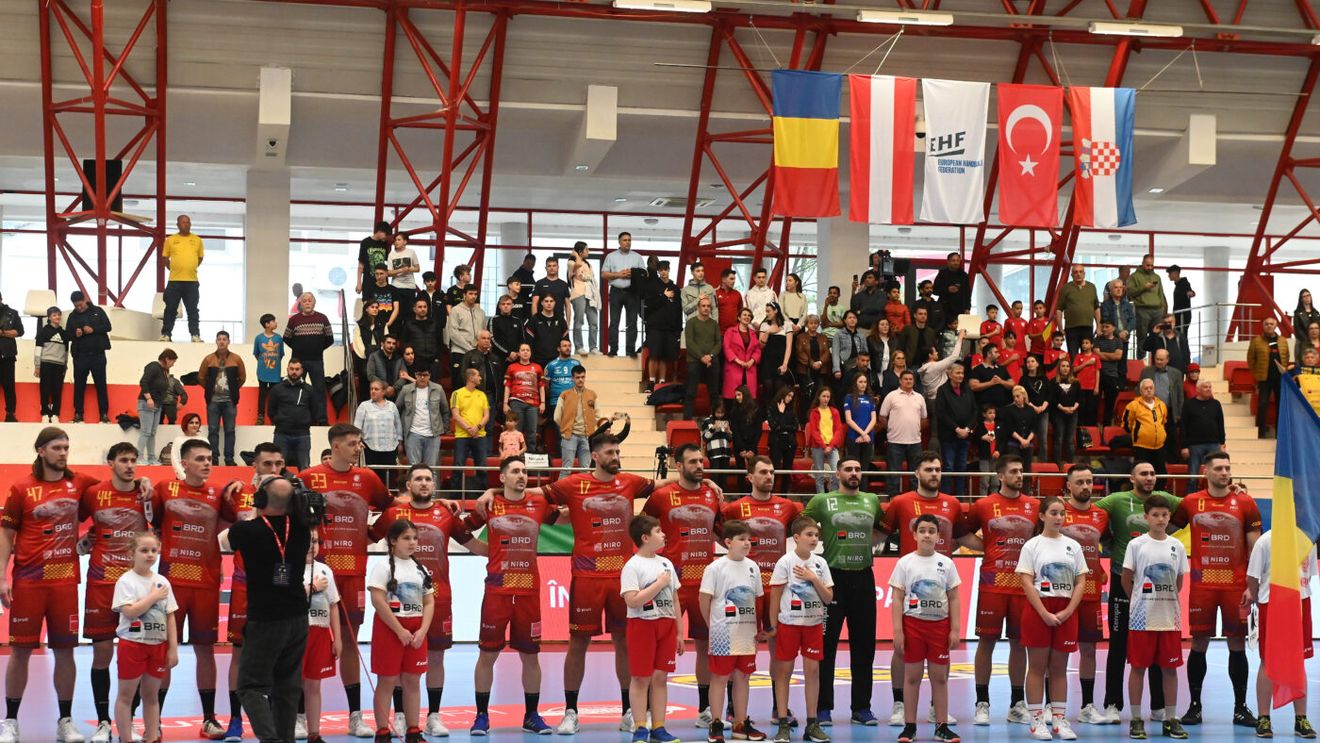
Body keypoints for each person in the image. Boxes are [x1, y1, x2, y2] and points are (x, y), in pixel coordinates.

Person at [483, 435, 658, 734]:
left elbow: (665, 483)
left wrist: (706, 481)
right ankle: (571, 712)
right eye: (610, 452)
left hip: (624, 579)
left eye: (618, 452)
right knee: (578, 644)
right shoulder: (573, 484)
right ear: (595, 457)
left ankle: (629, 711)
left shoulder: (630, 481)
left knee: (624, 643)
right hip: (586, 579)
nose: (616, 456)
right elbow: (526, 490)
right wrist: (493, 489)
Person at [0, 428, 102, 743]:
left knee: (65, 652)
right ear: (41, 451)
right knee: (20, 652)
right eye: (57, 447)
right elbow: (6, 534)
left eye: (66, 447)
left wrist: (142, 483)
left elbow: (113, 494)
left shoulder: (80, 483)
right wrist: (1, 576)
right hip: (29, 581)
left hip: (65, 582)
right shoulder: (21, 488)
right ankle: (10, 721)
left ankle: (65, 721)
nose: (63, 453)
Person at [300, 426, 393, 737]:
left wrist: (372, 536)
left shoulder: (368, 478)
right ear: (335, 446)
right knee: (303, 640)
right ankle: (299, 716)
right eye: (353, 443)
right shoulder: (309, 477)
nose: (358, 448)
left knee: (351, 644)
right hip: (315, 573)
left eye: (360, 443)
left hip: (353, 573)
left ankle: (355, 716)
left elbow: (392, 508)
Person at [461, 457, 556, 735]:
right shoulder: (489, 504)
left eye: (524, 471)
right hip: (497, 591)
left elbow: (564, 516)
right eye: (515, 471)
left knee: (531, 656)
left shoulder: (539, 503)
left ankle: (531, 716)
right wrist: (485, 550)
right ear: (502, 478)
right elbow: (461, 529)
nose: (521, 475)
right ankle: (481, 716)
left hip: (529, 592)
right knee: (487, 654)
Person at [152, 438, 240, 738]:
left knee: (206, 651)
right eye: (200, 459)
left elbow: (235, 520)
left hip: (205, 585)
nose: (206, 464)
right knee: (164, 651)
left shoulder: (218, 494)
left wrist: (238, 487)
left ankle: (208, 719)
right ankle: (154, 719)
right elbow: (152, 522)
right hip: (171, 586)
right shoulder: (165, 489)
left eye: (209, 459)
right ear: (185, 463)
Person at [1168, 450, 1261, 727]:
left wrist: (1252, 585)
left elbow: (1256, 548)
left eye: (1227, 468)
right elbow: (1162, 530)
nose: (1224, 473)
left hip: (1236, 588)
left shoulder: (1245, 502)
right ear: (1205, 471)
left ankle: (1240, 708)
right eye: (1219, 468)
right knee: (1199, 644)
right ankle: (1194, 707)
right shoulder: (1190, 502)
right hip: (1202, 587)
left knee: (1237, 645)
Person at [368, 465, 462, 737]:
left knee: (424, 667)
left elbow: (470, 540)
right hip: (395, 623)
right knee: (391, 675)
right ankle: (391, 722)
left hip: (429, 613)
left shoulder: (446, 514)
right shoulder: (392, 520)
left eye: (428, 479)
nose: (424, 483)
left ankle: (426, 720)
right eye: (418, 478)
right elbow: (367, 539)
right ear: (408, 485)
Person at [642, 444, 722, 723]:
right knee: (659, 646)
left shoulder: (712, 494)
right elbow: (642, 531)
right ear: (678, 465)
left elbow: (721, 531)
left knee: (705, 646)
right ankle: (648, 710)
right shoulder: (661, 497)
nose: (699, 466)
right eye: (692, 462)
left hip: (705, 584)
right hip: (670, 584)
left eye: (701, 461)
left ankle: (705, 710)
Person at [719, 458, 803, 723]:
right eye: (763, 472)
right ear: (750, 477)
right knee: (740, 650)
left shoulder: (788, 507)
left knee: (779, 653)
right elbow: (721, 535)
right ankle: (733, 709)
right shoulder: (735, 508)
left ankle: (779, 709)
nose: (769, 476)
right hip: (745, 590)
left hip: (777, 590)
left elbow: (805, 531)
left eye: (772, 472)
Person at [1094, 463, 1179, 722]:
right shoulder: (1117, 500)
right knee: (1118, 645)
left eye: (1153, 474)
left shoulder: (1164, 499)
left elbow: (1194, 506)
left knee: (1157, 645)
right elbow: (1088, 511)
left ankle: (1158, 706)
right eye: (1144, 474)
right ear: (1132, 478)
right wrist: (1107, 541)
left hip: (1156, 587)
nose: (1149, 478)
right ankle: (1112, 704)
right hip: (1123, 580)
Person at [803, 459, 883, 726]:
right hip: (832, 578)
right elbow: (800, 525)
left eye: (857, 469)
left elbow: (883, 529)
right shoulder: (822, 501)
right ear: (837, 474)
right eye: (848, 469)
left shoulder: (872, 500)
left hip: (864, 577)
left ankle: (861, 708)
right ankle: (823, 708)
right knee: (826, 646)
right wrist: (819, 537)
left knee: (864, 647)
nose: (854, 473)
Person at [964, 454, 1038, 726]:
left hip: (1023, 587)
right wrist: (986, 547)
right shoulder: (983, 505)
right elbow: (961, 533)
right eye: (1014, 471)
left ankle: (1017, 704)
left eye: (1021, 471)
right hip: (992, 585)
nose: (1019, 475)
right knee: (986, 642)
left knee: (1019, 644)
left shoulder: (1034, 506)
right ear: (1000, 476)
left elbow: (1043, 540)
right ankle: (982, 702)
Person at [1016, 497, 1088, 741]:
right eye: (1054, 513)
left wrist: (1068, 611)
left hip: (1065, 609)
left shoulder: (1073, 546)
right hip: (1039, 609)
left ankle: (1058, 720)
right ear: (1042, 516)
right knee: (1037, 667)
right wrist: (1043, 613)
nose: (1059, 517)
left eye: (1062, 513)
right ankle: (1036, 721)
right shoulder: (1032, 546)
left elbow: (1081, 581)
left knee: (1059, 668)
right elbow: (1026, 581)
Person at [1120, 495, 1190, 740]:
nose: (1160, 519)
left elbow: (1178, 582)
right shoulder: (1136, 545)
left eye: (1164, 515)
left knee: (1170, 670)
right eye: (1155, 515)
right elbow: (1126, 579)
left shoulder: (1177, 546)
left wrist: (1165, 599)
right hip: (1142, 620)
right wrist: (1139, 602)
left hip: (1170, 619)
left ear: (1169, 517)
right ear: (1146, 517)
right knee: (1138, 668)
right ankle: (1136, 719)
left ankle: (1171, 719)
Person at [889, 515, 961, 743]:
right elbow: (897, 598)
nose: (927, 535)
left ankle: (942, 726)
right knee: (912, 677)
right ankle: (910, 727)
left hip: (940, 627)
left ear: (939, 536)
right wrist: (898, 631)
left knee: (939, 678)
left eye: (931, 531)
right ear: (914, 535)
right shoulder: (905, 563)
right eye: (922, 531)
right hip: (913, 626)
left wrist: (955, 629)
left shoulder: (947, 563)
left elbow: (954, 597)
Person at [1244, 530, 1318, 739]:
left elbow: (1308, 575)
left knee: (1298, 660)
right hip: (1272, 604)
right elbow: (1252, 577)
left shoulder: (1308, 539)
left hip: (1300, 603)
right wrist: (1259, 598)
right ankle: (1264, 718)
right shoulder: (1265, 541)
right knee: (1268, 660)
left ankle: (1301, 719)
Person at [700, 520, 767, 743]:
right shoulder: (715, 568)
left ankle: (740, 724)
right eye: (741, 539)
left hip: (747, 635)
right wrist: (713, 626)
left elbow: (758, 599)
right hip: (722, 634)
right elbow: (704, 599)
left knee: (743, 677)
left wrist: (758, 628)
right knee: (719, 678)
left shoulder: (753, 567)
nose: (747, 543)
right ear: (728, 542)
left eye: (749, 539)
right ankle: (716, 723)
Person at [368, 520, 434, 743]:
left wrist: (423, 631)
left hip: (416, 630)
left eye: (415, 538)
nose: (412, 542)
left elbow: (429, 601)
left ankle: (413, 730)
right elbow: (378, 600)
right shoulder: (383, 567)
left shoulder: (420, 569)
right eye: (407, 538)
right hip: (390, 629)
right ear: (393, 541)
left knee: (413, 680)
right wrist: (399, 630)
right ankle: (382, 732)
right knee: (387, 680)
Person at [619, 514, 684, 743]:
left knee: (660, 678)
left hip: (666, 625)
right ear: (645, 538)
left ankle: (658, 727)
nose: (663, 535)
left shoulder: (666, 563)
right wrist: (658, 584)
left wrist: (679, 632)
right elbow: (632, 601)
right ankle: (640, 727)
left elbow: (674, 599)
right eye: (658, 531)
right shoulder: (632, 566)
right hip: (642, 625)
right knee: (640, 678)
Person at [769, 516, 834, 743]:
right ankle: (783, 723)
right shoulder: (785, 562)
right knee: (783, 673)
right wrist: (773, 625)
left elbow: (828, 598)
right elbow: (775, 595)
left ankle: (812, 724)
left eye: (816, 535)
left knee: (813, 672)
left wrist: (813, 578)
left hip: (813, 625)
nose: (814, 539)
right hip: (789, 625)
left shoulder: (821, 563)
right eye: (809, 534)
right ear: (796, 538)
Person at [112, 533, 179, 743]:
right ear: (132, 553)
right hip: (132, 645)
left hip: (157, 646)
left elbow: (170, 616)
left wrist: (173, 648)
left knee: (151, 696)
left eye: (153, 550)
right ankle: (126, 738)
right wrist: (153, 597)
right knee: (126, 695)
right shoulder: (126, 581)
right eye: (144, 550)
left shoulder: (162, 581)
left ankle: (151, 737)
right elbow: (130, 611)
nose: (150, 555)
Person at [1058, 464, 1111, 726]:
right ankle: (1052, 707)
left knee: (1089, 650)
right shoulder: (1057, 511)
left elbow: (1109, 543)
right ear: (1068, 485)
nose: (1086, 486)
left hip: (1090, 593)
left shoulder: (1102, 515)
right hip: (1060, 592)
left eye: (1089, 481)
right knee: (1057, 651)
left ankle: (1087, 706)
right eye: (1079, 482)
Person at [295, 528, 340, 743]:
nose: (311, 546)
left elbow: (333, 605)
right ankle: (294, 721)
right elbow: (285, 598)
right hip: (295, 633)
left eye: (314, 541)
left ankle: (314, 733)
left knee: (314, 685)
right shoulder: (287, 568)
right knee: (293, 682)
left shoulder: (325, 570)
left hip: (320, 633)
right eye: (306, 541)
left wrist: (337, 638)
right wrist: (312, 587)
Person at [283, 294, 333, 426]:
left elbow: (330, 338)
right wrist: (299, 348)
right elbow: (286, 338)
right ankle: (296, 419)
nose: (307, 303)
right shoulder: (294, 319)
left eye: (310, 300)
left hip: (317, 360)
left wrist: (318, 349)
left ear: (314, 303)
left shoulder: (322, 318)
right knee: (296, 390)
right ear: (300, 304)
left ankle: (322, 420)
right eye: (304, 301)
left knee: (319, 391)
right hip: (298, 362)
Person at [199, 331, 246, 466]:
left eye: (224, 339)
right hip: (213, 401)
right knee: (213, 431)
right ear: (216, 341)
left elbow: (242, 378)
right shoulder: (208, 359)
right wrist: (210, 389)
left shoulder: (236, 359)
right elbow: (201, 377)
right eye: (219, 339)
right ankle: (213, 459)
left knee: (230, 430)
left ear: (228, 342)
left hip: (230, 401)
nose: (222, 341)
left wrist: (233, 390)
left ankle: (229, 459)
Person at [878, 370, 927, 495]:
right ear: (900, 381)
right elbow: (882, 417)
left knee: (915, 473)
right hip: (895, 441)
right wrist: (890, 429)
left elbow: (924, 419)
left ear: (914, 381)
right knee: (893, 473)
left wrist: (916, 429)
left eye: (911, 379)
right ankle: (892, 499)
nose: (908, 381)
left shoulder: (919, 397)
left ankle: (915, 498)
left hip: (915, 441)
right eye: (906, 379)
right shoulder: (891, 396)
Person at [68, 290, 113, 423]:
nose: (79, 307)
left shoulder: (97, 311)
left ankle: (103, 414)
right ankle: (78, 414)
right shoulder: (72, 316)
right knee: (79, 386)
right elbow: (67, 334)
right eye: (76, 305)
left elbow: (108, 326)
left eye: (80, 304)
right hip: (80, 356)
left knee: (101, 385)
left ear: (85, 300)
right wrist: (75, 334)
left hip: (98, 355)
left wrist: (93, 329)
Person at [934, 363, 976, 495]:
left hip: (965, 436)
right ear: (950, 374)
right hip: (948, 437)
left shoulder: (967, 389)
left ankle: (959, 498)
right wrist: (956, 429)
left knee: (962, 467)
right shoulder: (942, 390)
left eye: (962, 373)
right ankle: (946, 497)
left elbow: (974, 411)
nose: (961, 376)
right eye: (958, 373)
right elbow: (941, 413)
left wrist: (967, 429)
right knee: (948, 467)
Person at [160, 214, 204, 342]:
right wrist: (174, 268)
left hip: (192, 281)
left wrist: (190, 267)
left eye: (188, 222)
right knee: (170, 309)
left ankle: (195, 334)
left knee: (193, 310)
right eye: (184, 222)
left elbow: (200, 258)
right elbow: (165, 257)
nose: (187, 224)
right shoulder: (170, 240)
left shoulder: (197, 240)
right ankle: (166, 334)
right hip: (174, 281)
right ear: (178, 225)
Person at [602, 232, 646, 357]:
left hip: (632, 292)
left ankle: (630, 350)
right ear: (619, 242)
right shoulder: (611, 256)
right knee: (614, 322)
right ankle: (613, 349)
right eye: (625, 240)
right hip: (616, 291)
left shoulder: (637, 257)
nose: (627, 242)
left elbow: (644, 274)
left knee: (632, 322)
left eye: (629, 240)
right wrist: (619, 274)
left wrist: (633, 274)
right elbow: (604, 274)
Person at [449, 368, 491, 494]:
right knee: (458, 466)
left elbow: (486, 415)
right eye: (478, 375)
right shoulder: (457, 393)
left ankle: (482, 496)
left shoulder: (482, 394)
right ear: (471, 378)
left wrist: (477, 427)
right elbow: (456, 415)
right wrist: (469, 428)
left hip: (480, 435)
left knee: (482, 467)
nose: (480, 378)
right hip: (462, 436)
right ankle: (454, 497)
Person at [398, 366, 450, 467]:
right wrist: (402, 430)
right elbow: (397, 409)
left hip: (433, 435)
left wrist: (444, 428)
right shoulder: (406, 389)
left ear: (429, 375)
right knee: (413, 467)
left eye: (425, 375)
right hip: (412, 433)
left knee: (431, 467)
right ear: (415, 375)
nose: (422, 377)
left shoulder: (438, 389)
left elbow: (445, 410)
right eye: (419, 375)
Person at [354, 380, 403, 486]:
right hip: (370, 447)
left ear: (383, 392)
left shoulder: (392, 406)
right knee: (372, 479)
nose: (373, 391)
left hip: (390, 447)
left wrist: (400, 442)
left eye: (376, 389)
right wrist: (358, 441)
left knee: (389, 480)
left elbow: (398, 425)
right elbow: (357, 427)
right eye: (371, 389)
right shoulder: (364, 406)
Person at [644, 262, 683, 390]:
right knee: (654, 355)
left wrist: (679, 329)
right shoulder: (652, 286)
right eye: (661, 270)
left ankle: (661, 383)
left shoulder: (675, 288)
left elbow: (679, 309)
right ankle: (651, 383)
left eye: (665, 269)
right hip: (655, 327)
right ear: (658, 271)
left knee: (664, 357)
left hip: (670, 328)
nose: (663, 272)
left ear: (669, 270)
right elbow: (648, 306)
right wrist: (663, 296)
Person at [1249, 316, 1289, 437]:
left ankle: (1279, 434)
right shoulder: (1256, 341)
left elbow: (1286, 357)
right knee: (1262, 405)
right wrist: (1256, 375)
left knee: (1280, 406)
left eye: (1271, 324)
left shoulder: (1283, 341)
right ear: (1263, 326)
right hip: (1264, 378)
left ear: (1275, 326)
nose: (1269, 326)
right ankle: (1260, 433)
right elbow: (1251, 360)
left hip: (1280, 379)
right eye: (1266, 324)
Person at [685, 295, 722, 419]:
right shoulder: (691, 323)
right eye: (703, 306)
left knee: (714, 393)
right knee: (690, 392)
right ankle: (686, 422)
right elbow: (690, 343)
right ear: (698, 307)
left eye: (708, 306)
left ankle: (715, 422)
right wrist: (702, 357)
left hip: (712, 360)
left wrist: (710, 356)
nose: (706, 308)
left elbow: (718, 343)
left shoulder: (714, 324)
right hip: (694, 360)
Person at [503, 343, 545, 451]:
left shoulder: (538, 367)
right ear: (519, 353)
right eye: (523, 350)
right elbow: (507, 386)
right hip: (516, 402)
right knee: (517, 430)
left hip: (533, 404)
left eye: (527, 350)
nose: (525, 352)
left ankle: (531, 455)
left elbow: (541, 386)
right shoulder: (511, 367)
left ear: (530, 353)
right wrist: (505, 403)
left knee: (532, 431)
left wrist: (543, 402)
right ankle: (516, 454)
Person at [1123, 379, 1169, 476]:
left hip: (1159, 446)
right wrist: (1138, 434)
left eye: (1151, 388)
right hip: (1141, 447)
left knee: (1161, 475)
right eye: (1146, 388)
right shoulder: (1133, 405)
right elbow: (1126, 424)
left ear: (1154, 390)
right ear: (1140, 391)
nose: (1149, 390)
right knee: (1142, 473)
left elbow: (1163, 422)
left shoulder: (1161, 405)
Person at [34, 305, 70, 423]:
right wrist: (37, 366)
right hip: (46, 364)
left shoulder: (64, 333)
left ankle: (55, 414)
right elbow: (38, 349)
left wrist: (65, 366)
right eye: (54, 315)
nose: (57, 317)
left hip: (59, 366)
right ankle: (45, 413)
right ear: (49, 317)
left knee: (57, 390)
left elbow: (66, 352)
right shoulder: (43, 331)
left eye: (59, 315)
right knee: (45, 389)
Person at [446, 284, 486, 389]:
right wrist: (469, 348)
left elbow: (483, 332)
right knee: (459, 383)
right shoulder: (456, 310)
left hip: (477, 353)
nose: (473, 296)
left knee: (477, 384)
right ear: (464, 295)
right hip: (460, 352)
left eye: (475, 294)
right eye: (470, 294)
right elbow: (453, 333)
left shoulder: (481, 312)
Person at [806, 388, 842, 494]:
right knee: (819, 475)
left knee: (836, 473)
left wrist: (830, 446)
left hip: (832, 446)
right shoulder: (814, 412)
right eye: (824, 396)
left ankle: (833, 495)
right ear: (819, 397)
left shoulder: (835, 412)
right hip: (818, 447)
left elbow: (838, 430)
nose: (826, 399)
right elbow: (814, 432)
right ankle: (821, 497)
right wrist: (823, 446)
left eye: (828, 397)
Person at [1057, 265, 1100, 354]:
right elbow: (1059, 309)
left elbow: (1096, 308)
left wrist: (1099, 326)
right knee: (1073, 356)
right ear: (1072, 275)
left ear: (1084, 274)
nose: (1078, 274)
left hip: (1088, 327)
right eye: (1075, 272)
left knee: (1087, 355)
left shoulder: (1091, 287)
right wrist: (1060, 328)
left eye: (1081, 272)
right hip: (1071, 328)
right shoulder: (1066, 288)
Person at [723, 308, 762, 405]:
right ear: (739, 318)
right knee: (732, 399)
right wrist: (739, 361)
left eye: (749, 315)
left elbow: (757, 350)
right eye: (744, 315)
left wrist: (751, 361)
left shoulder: (753, 333)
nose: (747, 317)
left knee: (748, 399)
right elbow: (727, 348)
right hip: (734, 367)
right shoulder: (730, 331)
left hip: (749, 368)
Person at [567, 244, 600, 356]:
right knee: (579, 321)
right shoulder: (571, 262)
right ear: (580, 251)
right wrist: (576, 255)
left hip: (590, 294)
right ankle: (579, 347)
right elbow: (578, 266)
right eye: (586, 249)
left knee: (594, 322)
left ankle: (593, 347)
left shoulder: (588, 264)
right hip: (578, 293)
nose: (588, 251)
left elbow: (591, 277)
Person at [1126, 255, 1167, 343]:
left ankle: (1156, 352)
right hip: (1142, 310)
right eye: (1148, 265)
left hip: (1157, 311)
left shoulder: (1157, 277)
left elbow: (1161, 293)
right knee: (1142, 337)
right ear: (1142, 263)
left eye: (1152, 265)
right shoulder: (1134, 276)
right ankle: (1141, 353)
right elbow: (1129, 292)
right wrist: (1143, 287)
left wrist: (1162, 307)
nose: (1150, 267)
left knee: (1158, 336)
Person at [1050, 359, 1082, 464]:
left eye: (1067, 366)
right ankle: (1057, 465)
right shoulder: (1053, 382)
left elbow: (1079, 398)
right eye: (1063, 366)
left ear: (1070, 369)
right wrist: (1063, 408)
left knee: (1070, 441)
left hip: (1073, 413)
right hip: (1058, 414)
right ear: (1059, 368)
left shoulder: (1076, 382)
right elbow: (1052, 399)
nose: (1065, 368)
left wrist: (1073, 408)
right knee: (1058, 439)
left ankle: (1070, 465)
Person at [527, 294, 569, 370]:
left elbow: (566, 341)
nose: (549, 303)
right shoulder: (534, 320)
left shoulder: (560, 319)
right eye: (546, 301)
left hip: (557, 361)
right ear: (542, 303)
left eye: (551, 301)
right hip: (538, 361)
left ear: (555, 303)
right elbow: (529, 342)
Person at [0, 293, 21, 421]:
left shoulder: (12, 313)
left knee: (9, 386)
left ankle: (10, 414)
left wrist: (2, 332)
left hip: (7, 355)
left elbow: (19, 332)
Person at [933, 252, 970, 321]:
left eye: (958, 260)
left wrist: (967, 308)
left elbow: (967, 294)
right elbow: (935, 290)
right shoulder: (942, 274)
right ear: (948, 262)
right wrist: (947, 290)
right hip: (944, 308)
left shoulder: (964, 275)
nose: (956, 263)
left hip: (959, 309)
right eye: (953, 260)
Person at [357, 221, 391, 294]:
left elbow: (388, 261)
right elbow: (361, 265)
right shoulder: (365, 242)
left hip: (382, 282)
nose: (386, 237)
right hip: (368, 281)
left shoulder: (384, 244)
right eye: (386, 235)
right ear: (380, 231)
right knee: (368, 301)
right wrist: (359, 283)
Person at [1167, 266, 1195, 332]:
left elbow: (1189, 291)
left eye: (1170, 273)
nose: (1168, 276)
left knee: (1182, 334)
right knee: (1178, 333)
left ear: (1176, 273)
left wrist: (1191, 293)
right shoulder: (1178, 285)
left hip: (1183, 316)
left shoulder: (1184, 283)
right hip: (1178, 315)